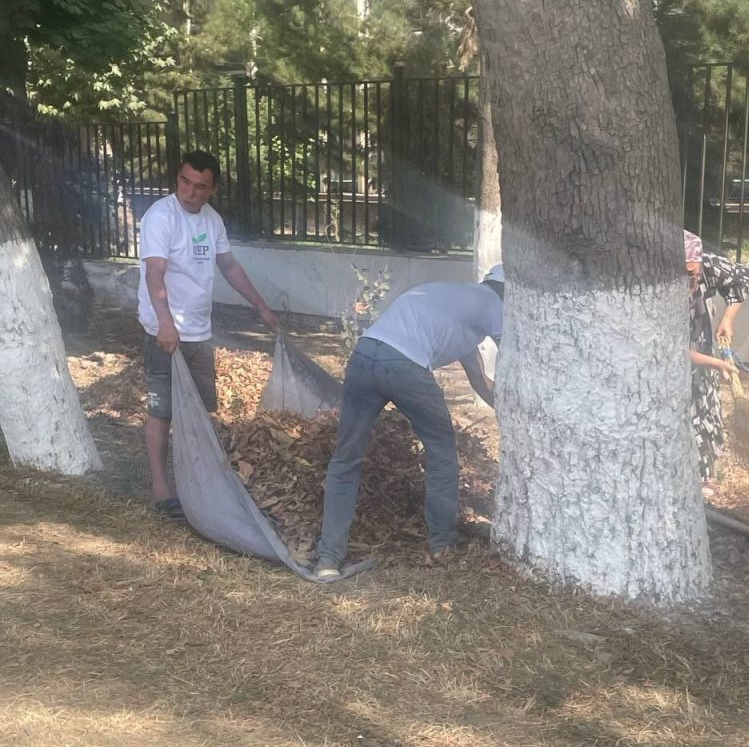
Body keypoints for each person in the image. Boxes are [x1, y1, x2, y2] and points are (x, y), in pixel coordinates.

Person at [314, 266, 505, 579]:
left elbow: (481, 383)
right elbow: (514, 358)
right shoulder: (494, 303)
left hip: (364, 353)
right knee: (441, 450)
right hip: (405, 365)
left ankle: (328, 560)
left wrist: (507, 414)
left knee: (346, 458)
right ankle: (442, 545)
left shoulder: (459, 307)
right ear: (506, 291)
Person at [138, 150, 280, 516]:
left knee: (199, 410)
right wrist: (165, 323)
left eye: (199, 186)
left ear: (212, 189)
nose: (189, 192)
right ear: (178, 178)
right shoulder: (161, 216)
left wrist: (261, 306)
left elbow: (229, 266)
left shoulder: (212, 221)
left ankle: (197, 483)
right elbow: (155, 274)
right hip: (164, 333)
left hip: (199, 332)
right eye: (184, 182)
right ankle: (160, 488)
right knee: (162, 410)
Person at [684, 230, 749, 485]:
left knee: (705, 414)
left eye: (692, 273)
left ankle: (704, 480)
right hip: (675, 366)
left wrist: (728, 318)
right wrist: (716, 363)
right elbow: (672, 349)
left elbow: (744, 276)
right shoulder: (656, 286)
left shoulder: (708, 266)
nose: (688, 281)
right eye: (681, 273)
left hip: (703, 350)